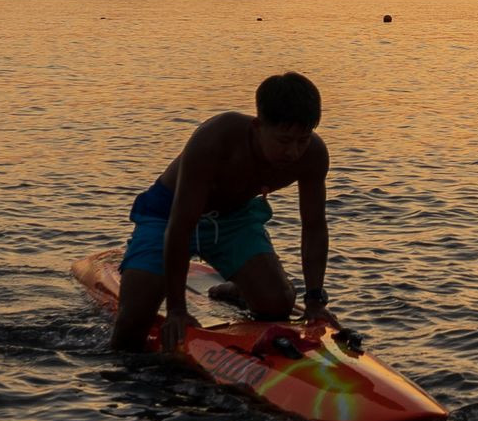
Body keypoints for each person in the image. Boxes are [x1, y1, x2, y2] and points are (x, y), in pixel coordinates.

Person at [116, 71, 331, 351]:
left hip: (233, 218)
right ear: (258, 126)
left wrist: (314, 301)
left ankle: (238, 290)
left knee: (277, 304)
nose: (293, 152)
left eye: (302, 140)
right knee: (131, 325)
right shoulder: (215, 138)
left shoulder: (313, 155)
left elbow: (314, 226)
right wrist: (177, 309)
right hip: (168, 215)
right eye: (283, 141)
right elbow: (181, 226)